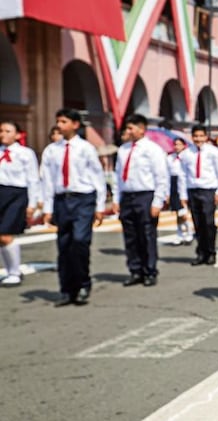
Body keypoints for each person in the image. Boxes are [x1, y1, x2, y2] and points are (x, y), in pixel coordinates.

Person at [39, 109, 105, 306]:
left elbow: (98, 177)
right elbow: (48, 180)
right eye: (58, 121)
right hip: (62, 200)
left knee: (80, 241)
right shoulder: (52, 150)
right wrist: (48, 208)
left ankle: (84, 283)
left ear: (75, 124)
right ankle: (67, 290)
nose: (59, 125)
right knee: (64, 245)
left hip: (83, 199)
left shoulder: (86, 148)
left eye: (64, 121)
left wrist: (100, 205)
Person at [111, 114, 169, 287]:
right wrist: (116, 198)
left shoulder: (152, 149)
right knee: (130, 236)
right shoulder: (123, 150)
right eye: (127, 128)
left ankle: (150, 270)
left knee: (147, 234)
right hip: (128, 196)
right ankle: (135, 270)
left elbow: (161, 176)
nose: (128, 131)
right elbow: (118, 176)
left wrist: (158, 201)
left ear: (141, 129)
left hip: (145, 195)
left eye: (131, 128)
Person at [179, 124, 218, 266]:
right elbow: (183, 175)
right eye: (196, 136)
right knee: (198, 223)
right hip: (193, 190)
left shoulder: (213, 152)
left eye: (201, 136)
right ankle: (201, 252)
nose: (198, 139)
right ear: (192, 137)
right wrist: (183, 195)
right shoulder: (186, 154)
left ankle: (211, 252)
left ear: (206, 137)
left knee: (208, 223)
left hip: (208, 190)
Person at [0, 121, 41, 286]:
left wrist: (32, 204)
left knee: (6, 233)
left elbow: (33, 179)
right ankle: (10, 270)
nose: (3, 134)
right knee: (1, 237)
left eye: (8, 131)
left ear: (17, 135)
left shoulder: (25, 153)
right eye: (1, 131)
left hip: (16, 195)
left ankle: (15, 272)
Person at [167, 137, 193, 245]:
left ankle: (189, 232)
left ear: (184, 145)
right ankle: (180, 233)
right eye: (175, 144)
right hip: (174, 183)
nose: (177, 147)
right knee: (178, 211)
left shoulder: (187, 156)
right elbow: (166, 173)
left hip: (185, 182)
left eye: (179, 144)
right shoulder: (169, 158)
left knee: (184, 211)